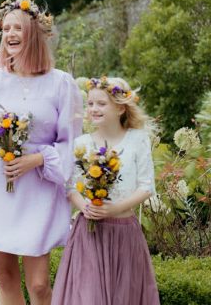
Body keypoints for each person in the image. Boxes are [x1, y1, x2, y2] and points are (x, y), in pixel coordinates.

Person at [0, 0, 83, 305]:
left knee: (39, 284)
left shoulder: (62, 84)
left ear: (34, 33)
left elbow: (72, 143)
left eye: (17, 27)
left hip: (39, 190)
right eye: (5, 28)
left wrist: (37, 158)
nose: (10, 34)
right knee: (5, 280)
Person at [51, 77, 160, 305]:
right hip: (89, 234)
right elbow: (69, 186)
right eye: (90, 104)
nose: (93, 109)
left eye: (101, 104)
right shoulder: (81, 143)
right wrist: (85, 207)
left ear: (120, 107)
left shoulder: (137, 140)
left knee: (123, 297)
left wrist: (115, 208)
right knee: (89, 297)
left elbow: (146, 186)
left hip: (124, 234)